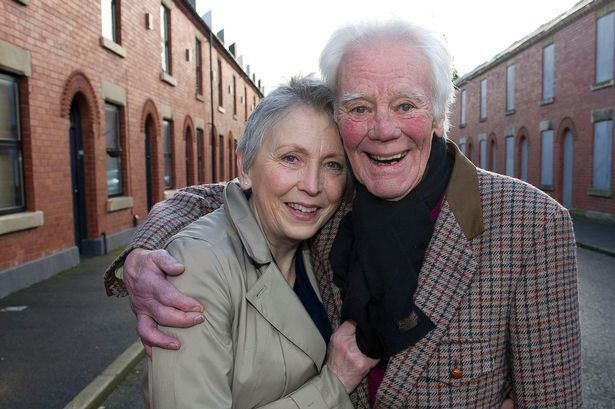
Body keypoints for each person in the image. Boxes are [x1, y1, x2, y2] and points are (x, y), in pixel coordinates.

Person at [106, 20, 582, 408]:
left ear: (438, 116)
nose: (382, 129)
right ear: (340, 120)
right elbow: (229, 196)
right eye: (359, 107)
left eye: (405, 104)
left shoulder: (529, 225)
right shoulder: (334, 198)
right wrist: (145, 250)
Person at [147, 77, 377, 408]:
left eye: (332, 164)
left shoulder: (316, 248)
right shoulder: (196, 266)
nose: (312, 185)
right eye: (291, 158)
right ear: (244, 167)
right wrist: (334, 385)